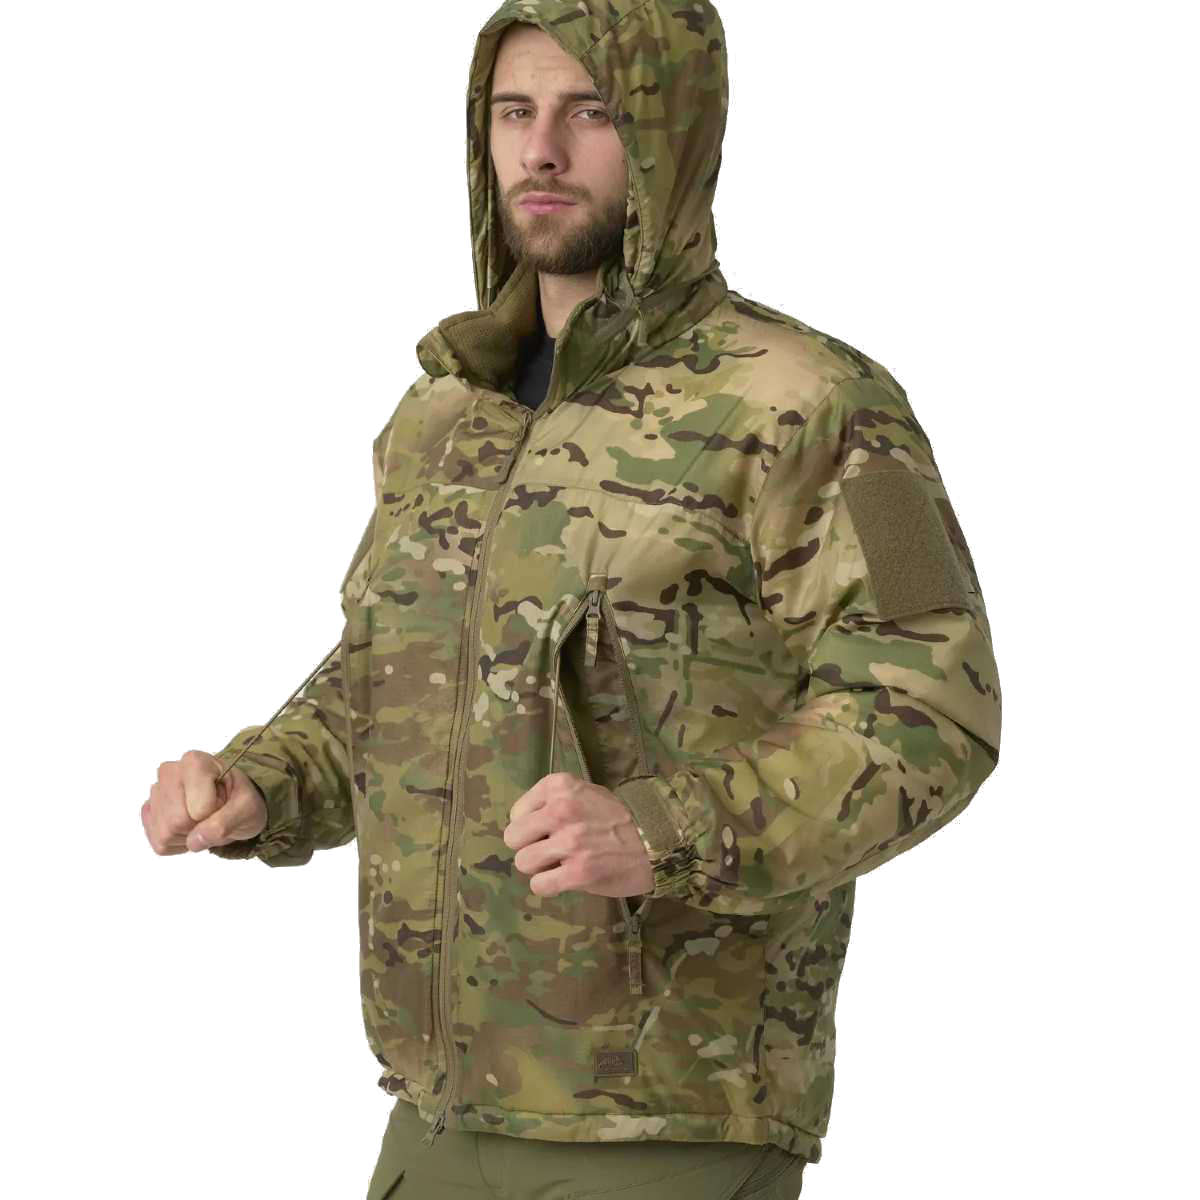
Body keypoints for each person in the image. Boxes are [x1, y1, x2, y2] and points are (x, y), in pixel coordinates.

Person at [141, 2, 1002, 1196]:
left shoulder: (821, 403)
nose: (540, 151)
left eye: (589, 112)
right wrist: (264, 782)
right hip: (437, 1109)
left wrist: (667, 827)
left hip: (669, 1124)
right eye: (513, 113)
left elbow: (932, 711)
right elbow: (393, 677)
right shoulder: (447, 413)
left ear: (671, 131)